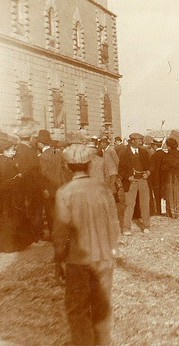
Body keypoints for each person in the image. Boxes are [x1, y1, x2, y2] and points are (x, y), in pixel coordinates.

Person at [53, 143, 119, 346]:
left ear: (66, 166)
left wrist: (59, 260)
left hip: (78, 260)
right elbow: (114, 224)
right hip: (105, 258)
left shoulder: (65, 192)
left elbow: (61, 233)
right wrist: (112, 249)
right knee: (102, 307)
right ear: (90, 164)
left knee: (78, 309)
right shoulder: (102, 189)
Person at [0, 136, 34, 253]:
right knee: (9, 219)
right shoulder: (7, 163)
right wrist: (19, 177)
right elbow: (10, 180)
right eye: (11, 150)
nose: (13, 152)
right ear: (4, 151)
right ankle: (8, 244)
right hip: (8, 195)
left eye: (14, 149)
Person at [36, 129, 67, 240]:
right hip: (59, 186)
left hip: (49, 189)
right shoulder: (57, 152)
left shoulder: (43, 157)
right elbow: (64, 168)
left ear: (40, 143)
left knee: (50, 212)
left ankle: (54, 235)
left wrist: (44, 189)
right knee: (59, 211)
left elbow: (43, 175)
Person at [118, 133, 151, 235]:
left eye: (141, 140)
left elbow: (149, 166)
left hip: (143, 181)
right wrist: (128, 177)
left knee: (145, 204)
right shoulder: (123, 153)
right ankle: (126, 228)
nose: (141, 142)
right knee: (129, 205)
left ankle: (146, 226)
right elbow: (120, 169)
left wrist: (148, 172)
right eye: (139, 140)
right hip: (131, 182)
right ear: (132, 141)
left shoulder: (144, 152)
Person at [14, 128, 41, 241]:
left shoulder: (15, 150)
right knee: (34, 211)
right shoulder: (31, 152)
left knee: (23, 210)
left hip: (19, 185)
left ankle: (25, 234)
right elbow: (36, 170)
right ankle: (36, 235)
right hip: (32, 185)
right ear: (30, 138)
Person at [149, 141, 166, 216]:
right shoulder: (165, 154)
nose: (152, 147)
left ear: (155, 146)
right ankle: (165, 210)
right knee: (164, 193)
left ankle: (159, 211)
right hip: (164, 178)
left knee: (157, 194)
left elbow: (151, 168)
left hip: (156, 178)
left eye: (153, 145)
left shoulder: (154, 156)